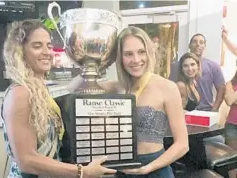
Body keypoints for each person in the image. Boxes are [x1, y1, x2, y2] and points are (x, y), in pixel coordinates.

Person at [1, 19, 116, 178]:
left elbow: (72, 88)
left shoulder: (39, 91)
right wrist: (83, 172)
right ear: (20, 51)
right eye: (37, 46)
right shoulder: (20, 93)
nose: (46, 52)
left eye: (48, 45)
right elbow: (26, 160)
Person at [71, 26, 189, 178]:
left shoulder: (167, 87)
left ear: (149, 53)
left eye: (141, 52)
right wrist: (101, 62)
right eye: (128, 54)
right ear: (120, 57)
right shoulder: (116, 86)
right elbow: (73, 88)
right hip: (121, 171)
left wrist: (148, 168)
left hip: (155, 169)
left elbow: (182, 144)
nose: (136, 60)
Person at [224, 70, 237, 150]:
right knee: (233, 157)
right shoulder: (230, 83)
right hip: (232, 126)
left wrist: (234, 94)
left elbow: (232, 99)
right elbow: (229, 101)